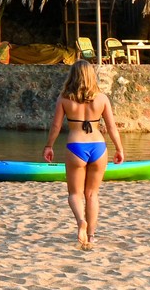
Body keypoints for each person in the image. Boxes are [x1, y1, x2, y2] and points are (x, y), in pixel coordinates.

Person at [41, 60, 125, 250]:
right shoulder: (102, 98)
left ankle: (81, 222)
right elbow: (111, 127)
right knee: (92, 194)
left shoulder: (64, 98)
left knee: (74, 193)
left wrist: (49, 146)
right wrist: (119, 149)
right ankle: (92, 236)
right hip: (98, 147)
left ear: (73, 76)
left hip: (76, 146)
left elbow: (55, 126)